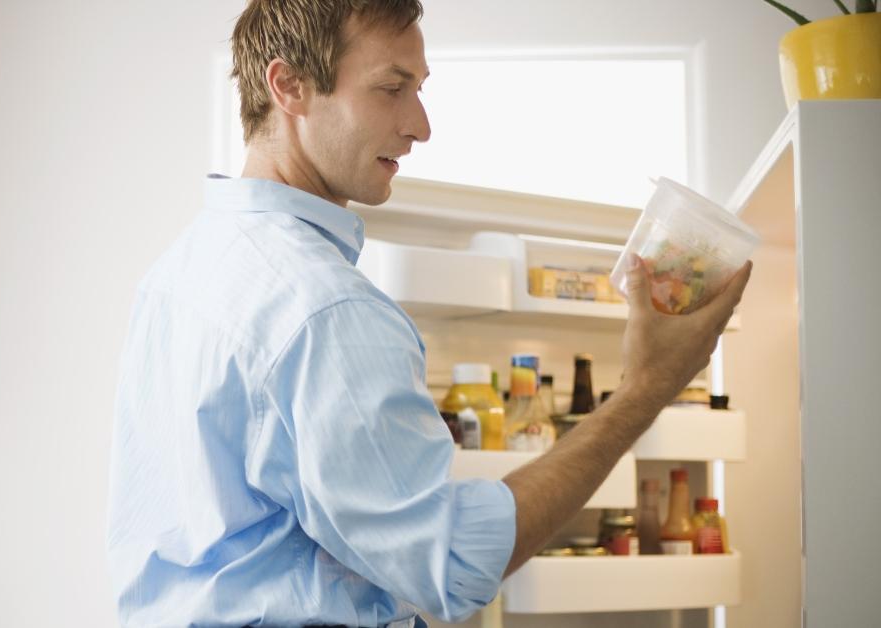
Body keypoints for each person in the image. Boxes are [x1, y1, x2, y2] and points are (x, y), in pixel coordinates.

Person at [106, 1, 751, 626]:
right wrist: (646, 388)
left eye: (419, 88)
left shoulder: (178, 271)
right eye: (391, 87)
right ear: (290, 85)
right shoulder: (326, 307)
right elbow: (450, 566)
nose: (420, 125)